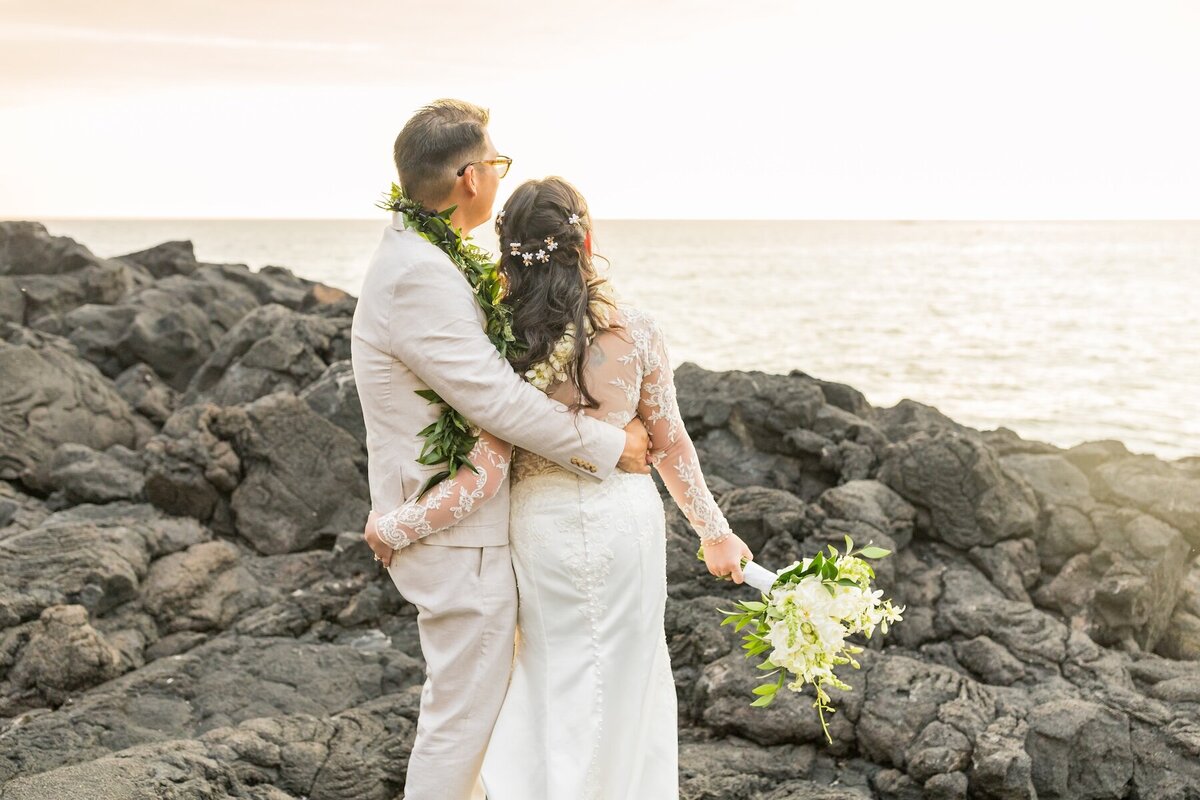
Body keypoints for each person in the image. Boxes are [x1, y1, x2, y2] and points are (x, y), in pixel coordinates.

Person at [364, 175, 753, 798]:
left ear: (508, 252)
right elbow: (671, 445)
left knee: (552, 683)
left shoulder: (502, 345)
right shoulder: (639, 331)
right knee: (629, 685)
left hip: (541, 536)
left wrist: (395, 526)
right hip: (626, 528)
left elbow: (484, 474)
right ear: (587, 239)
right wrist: (716, 534)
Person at [350, 100, 653, 800]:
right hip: (456, 532)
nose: (497, 172)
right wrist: (612, 446)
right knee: (461, 723)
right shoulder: (420, 274)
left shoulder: (418, 250)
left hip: (463, 524)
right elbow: (498, 402)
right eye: (496, 162)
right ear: (469, 179)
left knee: (474, 718)